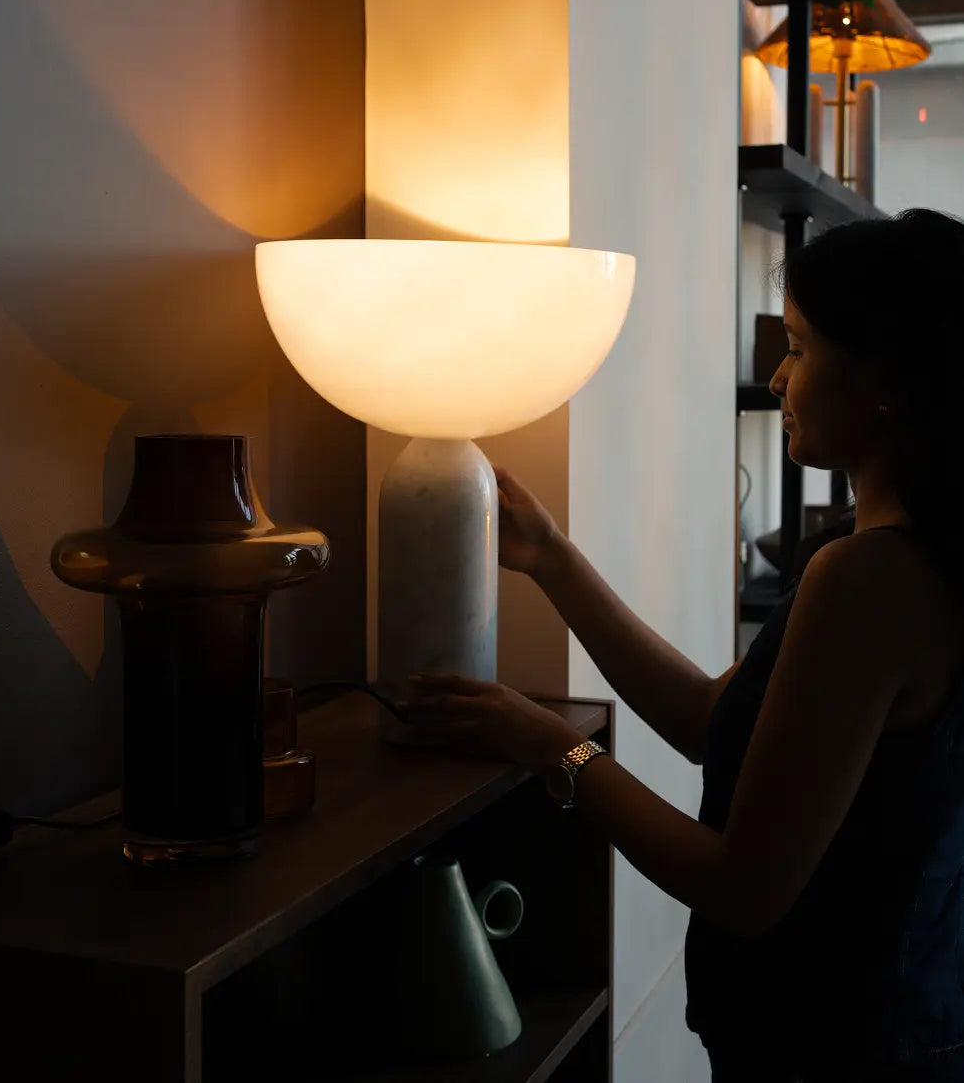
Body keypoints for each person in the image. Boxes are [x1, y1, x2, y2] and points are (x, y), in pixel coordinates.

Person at [402, 208, 964, 1082]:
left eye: (802, 348)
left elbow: (743, 887)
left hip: (846, 1046)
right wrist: (551, 558)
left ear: (886, 384)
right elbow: (714, 719)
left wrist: (557, 747)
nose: (778, 376)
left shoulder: (868, 582)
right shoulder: (899, 555)